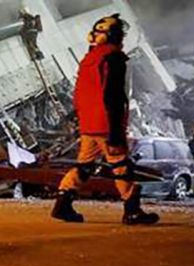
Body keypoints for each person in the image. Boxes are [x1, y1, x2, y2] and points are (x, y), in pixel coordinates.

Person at [52, 14, 159, 225]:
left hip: (89, 124)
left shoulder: (89, 59)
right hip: (106, 123)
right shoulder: (114, 58)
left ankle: (63, 204)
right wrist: (117, 130)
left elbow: (79, 93)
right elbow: (114, 96)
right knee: (121, 165)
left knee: (84, 166)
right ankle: (132, 210)